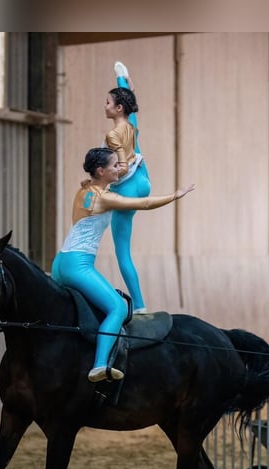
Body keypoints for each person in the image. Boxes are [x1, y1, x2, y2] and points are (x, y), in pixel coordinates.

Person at [51, 147, 194, 383]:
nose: (120, 168)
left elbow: (89, 183)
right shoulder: (104, 198)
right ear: (100, 170)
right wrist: (175, 195)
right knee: (117, 307)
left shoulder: (85, 189)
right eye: (115, 165)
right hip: (78, 265)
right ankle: (99, 366)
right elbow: (145, 203)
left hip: (61, 263)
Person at [104, 61, 152, 313]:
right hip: (144, 180)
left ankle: (141, 305)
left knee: (123, 252)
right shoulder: (130, 120)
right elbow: (130, 104)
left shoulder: (112, 135)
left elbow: (121, 166)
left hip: (129, 189)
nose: (105, 106)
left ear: (118, 107)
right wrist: (124, 79)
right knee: (137, 142)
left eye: (108, 103)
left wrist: (99, 180)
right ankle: (123, 77)